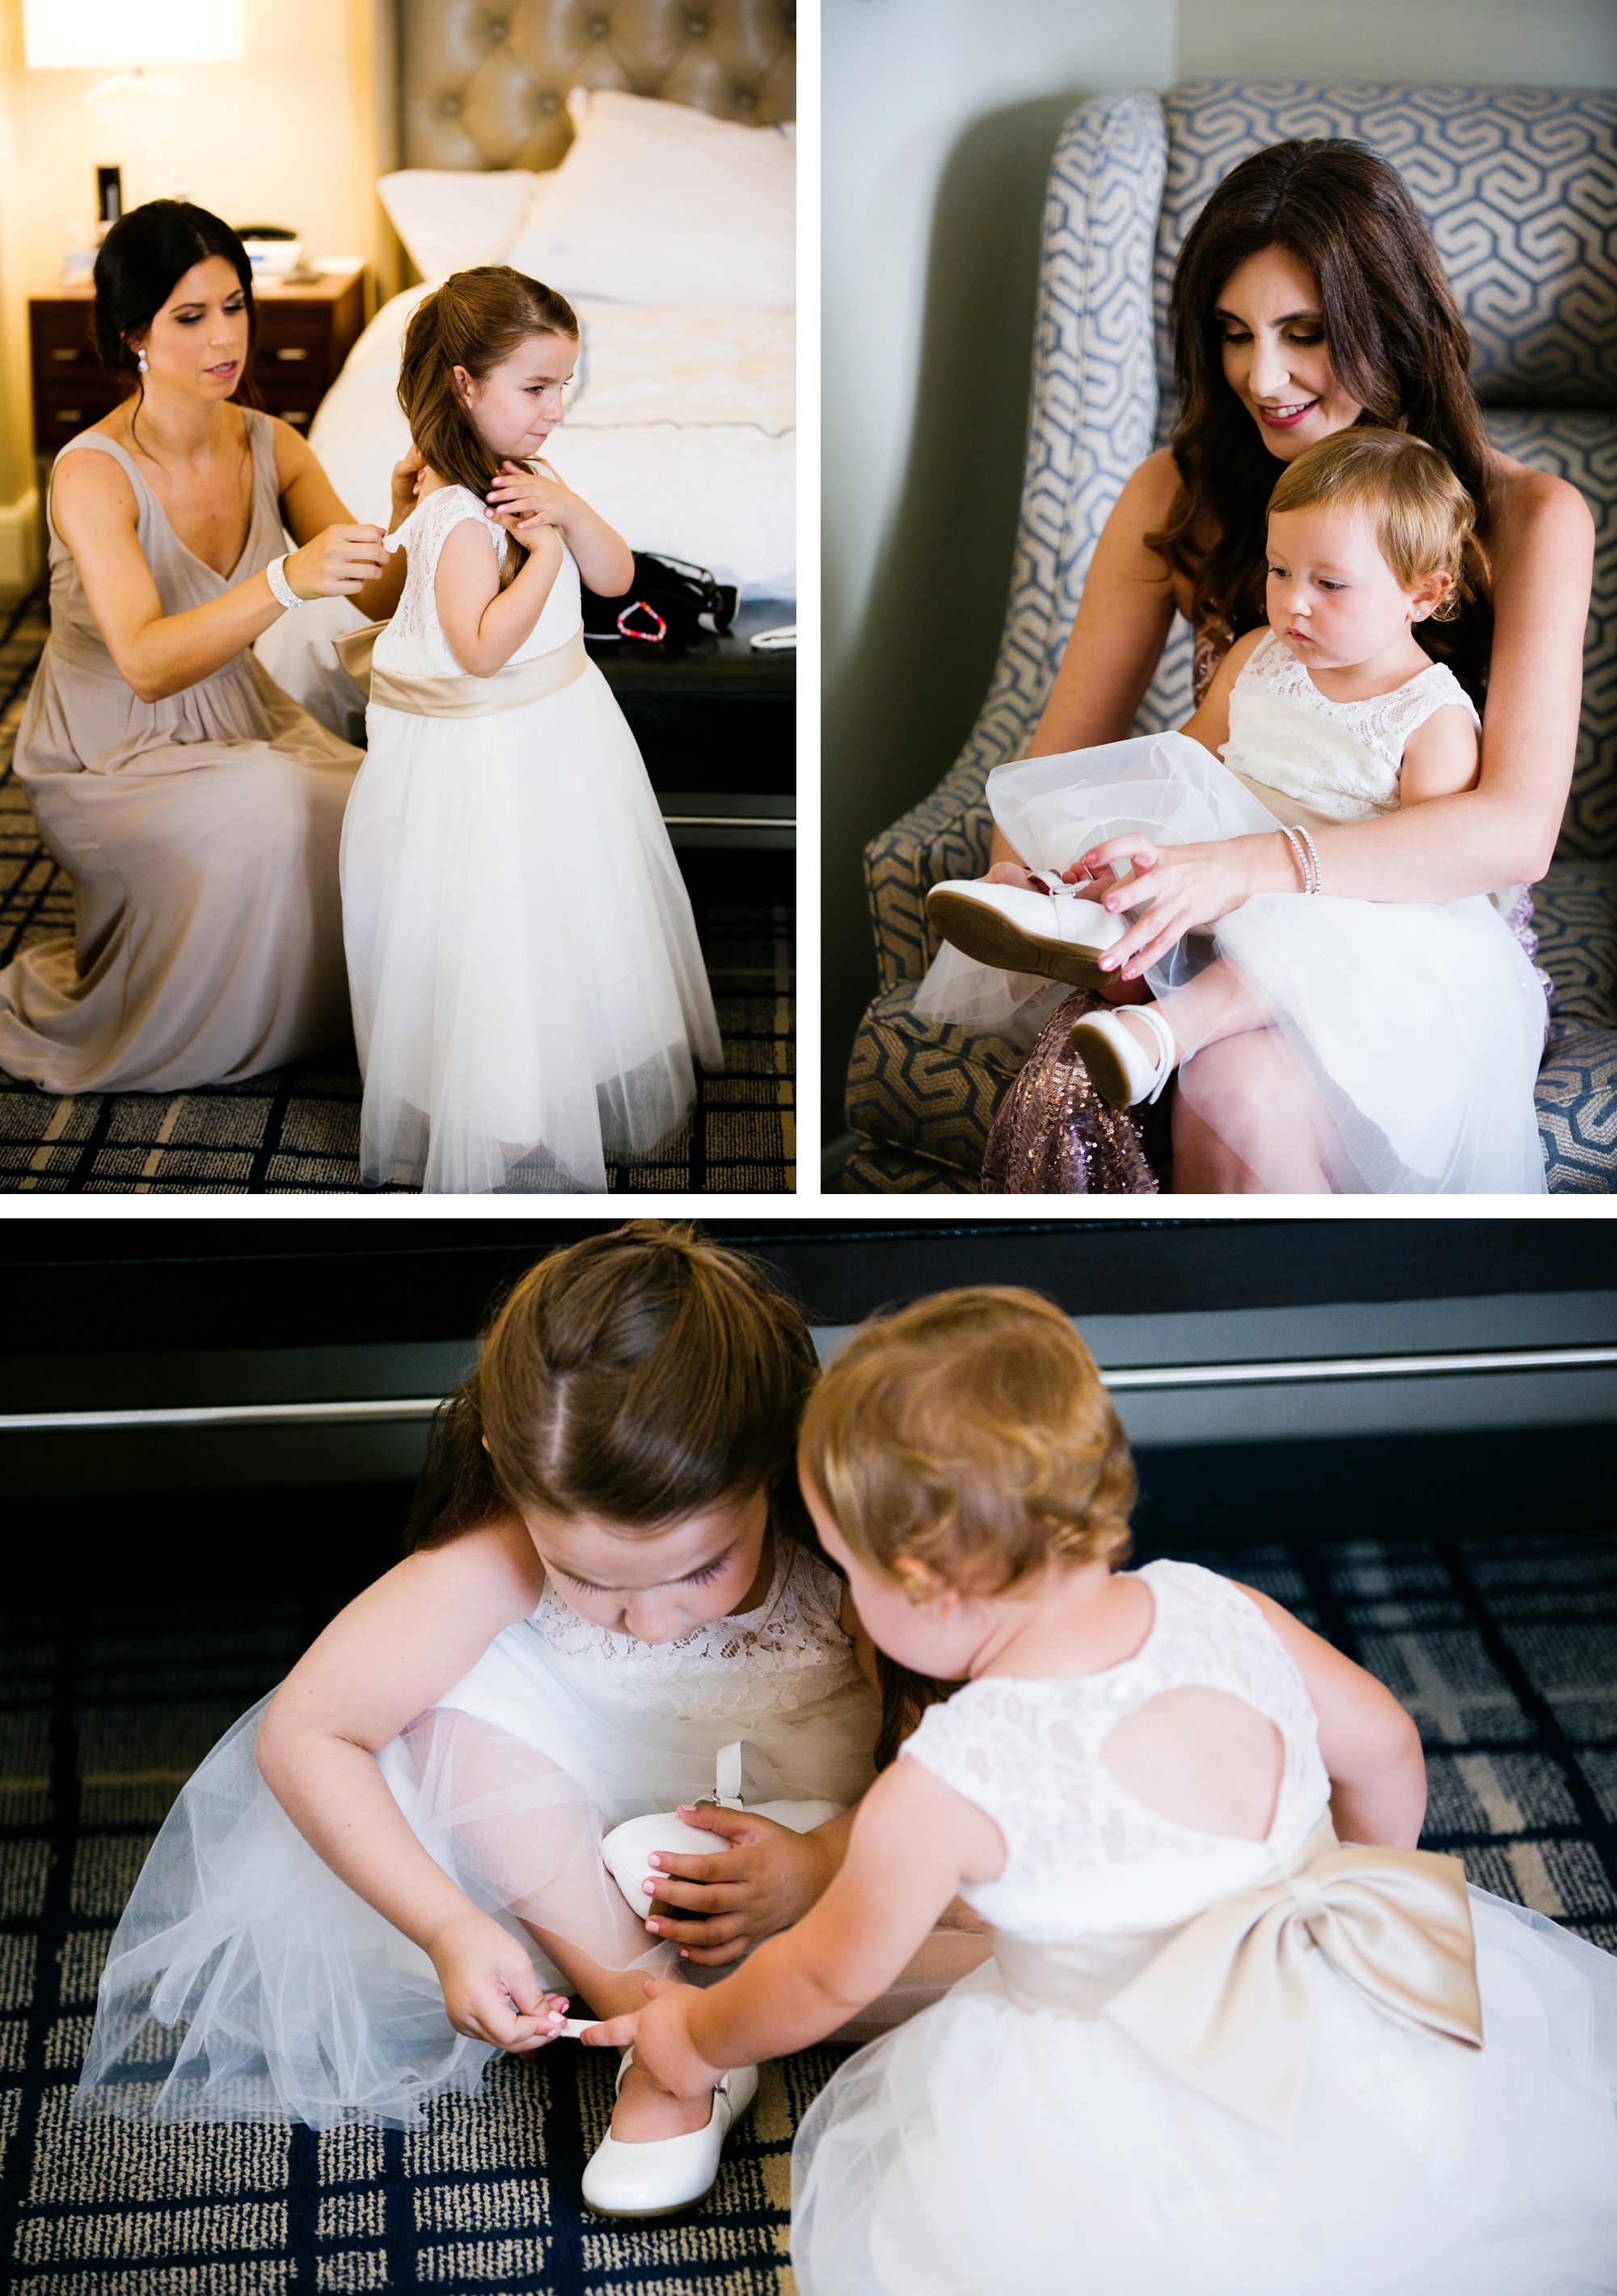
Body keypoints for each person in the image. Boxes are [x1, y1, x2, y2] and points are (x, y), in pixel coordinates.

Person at [589, 1287, 1617, 2294]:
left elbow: (822, 1979)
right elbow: (1388, 1743)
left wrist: (688, 2037)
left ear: (923, 1586)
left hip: (1120, 2119)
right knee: (1442, 2208)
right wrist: (1358, 1892)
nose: (849, 1602)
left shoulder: (950, 1776)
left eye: (852, 1575)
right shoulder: (1225, 1605)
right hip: (1347, 2016)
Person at [74, 1226, 993, 2218]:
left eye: (699, 1568)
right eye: (590, 1578)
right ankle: (663, 2032)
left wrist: (818, 1862)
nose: (650, 1617)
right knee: (454, 1732)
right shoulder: (505, 1543)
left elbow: (979, 1748)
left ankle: (767, 1984)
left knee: (1024, 1928)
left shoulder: (854, 1544)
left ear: (772, 1464)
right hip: (585, 1837)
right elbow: (307, 1732)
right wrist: (449, 1926)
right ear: (505, 1472)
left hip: (841, 1807)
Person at [911, 139, 1593, 1194]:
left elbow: (1513, 834)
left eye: (1304, 334)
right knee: (1087, 1093)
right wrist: (1039, 862)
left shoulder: (1532, 518)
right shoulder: (1175, 492)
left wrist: (1244, 866)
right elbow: (1078, 750)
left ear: (1392, 324)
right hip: (1201, 902)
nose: (1260, 379)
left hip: (1416, 935)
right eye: (1232, 335)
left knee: (1243, 1091)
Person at [925, 430, 1547, 1191]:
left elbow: (1430, 877)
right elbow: (1183, 766)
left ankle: (1160, 1028)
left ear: (1422, 593)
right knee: (1147, 837)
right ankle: (1080, 911)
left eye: (1330, 584)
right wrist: (1121, 844)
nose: (1293, 603)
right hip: (1231, 880)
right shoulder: (1258, 658)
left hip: (1352, 919)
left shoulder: (1432, 719)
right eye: (1281, 571)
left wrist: (1267, 880)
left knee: (1299, 929)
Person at [0, 200, 416, 1093]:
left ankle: (326, 1012)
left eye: (234, 306)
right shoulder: (90, 473)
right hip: (105, 753)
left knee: (388, 797)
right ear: (132, 334)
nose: (224, 337)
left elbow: (375, 584)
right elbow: (145, 665)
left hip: (234, 718)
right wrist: (281, 583)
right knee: (274, 802)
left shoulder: (274, 443)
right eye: (190, 317)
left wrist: (408, 523)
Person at [338, 267, 721, 1192]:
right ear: (465, 383)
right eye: (536, 387)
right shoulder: (461, 515)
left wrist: (572, 514)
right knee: (488, 926)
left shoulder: (526, 476)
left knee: (566, 911)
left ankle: (554, 1071)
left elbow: (620, 579)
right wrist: (542, 554)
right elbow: (476, 648)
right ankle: (496, 1111)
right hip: (484, 755)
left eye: (564, 386)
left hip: (555, 735)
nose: (556, 408)